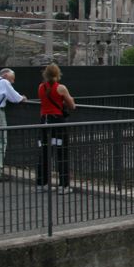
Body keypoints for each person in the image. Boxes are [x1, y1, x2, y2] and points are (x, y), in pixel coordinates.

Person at [37, 63, 76, 194]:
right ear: (57, 74)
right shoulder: (61, 88)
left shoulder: (41, 87)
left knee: (44, 152)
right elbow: (72, 106)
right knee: (62, 153)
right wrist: (67, 101)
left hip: (44, 121)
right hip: (57, 122)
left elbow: (45, 102)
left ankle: (41, 183)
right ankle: (63, 186)